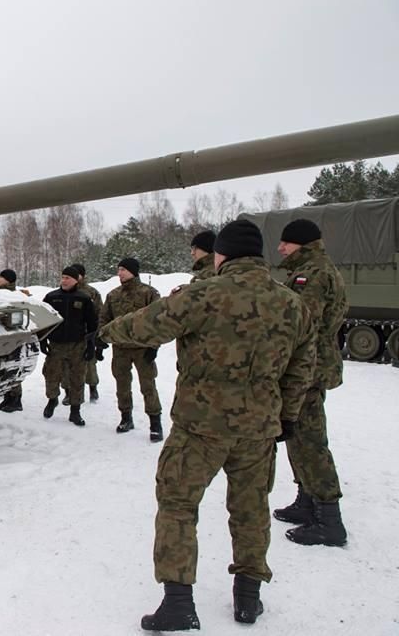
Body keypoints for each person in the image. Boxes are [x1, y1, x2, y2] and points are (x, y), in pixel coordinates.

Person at [99, 219, 316, 630]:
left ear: (223, 255)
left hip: (200, 427)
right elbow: (301, 368)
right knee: (251, 510)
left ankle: (179, 603)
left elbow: (147, 325)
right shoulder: (292, 303)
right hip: (258, 431)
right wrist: (285, 416)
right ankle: (248, 599)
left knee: (178, 505)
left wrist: (106, 332)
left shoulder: (203, 294)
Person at [272, 219, 349, 547]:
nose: (280, 248)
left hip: (308, 369)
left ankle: (329, 518)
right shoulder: (313, 268)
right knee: (298, 437)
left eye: (286, 243)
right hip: (310, 366)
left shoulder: (313, 274)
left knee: (311, 441)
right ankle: (307, 501)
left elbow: (300, 323)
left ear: (302, 243)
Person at [100, 258, 163, 440]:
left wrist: (154, 345)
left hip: (142, 348)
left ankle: (155, 423)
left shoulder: (148, 293)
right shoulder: (113, 295)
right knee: (122, 386)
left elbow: (158, 320)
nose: (120, 273)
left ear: (134, 272)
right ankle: (126, 418)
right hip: (120, 349)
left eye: (124, 270)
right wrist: (102, 338)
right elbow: (104, 319)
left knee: (148, 386)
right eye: (118, 269)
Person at [39, 266, 98, 425]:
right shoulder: (51, 297)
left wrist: (91, 345)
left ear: (76, 280)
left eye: (68, 278)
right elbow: (42, 321)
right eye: (63, 277)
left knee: (77, 378)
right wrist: (42, 340)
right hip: (56, 345)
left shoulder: (83, 298)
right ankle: (52, 400)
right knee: (51, 374)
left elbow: (92, 324)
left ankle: (75, 410)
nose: (64, 280)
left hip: (77, 345)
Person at [61, 264, 103, 405]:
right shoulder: (63, 291)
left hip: (86, 335)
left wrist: (97, 339)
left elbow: (99, 315)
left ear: (82, 276)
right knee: (66, 366)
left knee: (89, 364)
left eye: (77, 274)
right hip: (67, 335)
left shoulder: (91, 293)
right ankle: (68, 393)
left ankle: (93, 388)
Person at [0, 268, 26, 412]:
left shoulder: (13, 295)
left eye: (1, 277)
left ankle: (16, 400)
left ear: (7, 279)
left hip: (13, 337)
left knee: (13, 369)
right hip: (1, 336)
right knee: (4, 369)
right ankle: (7, 398)